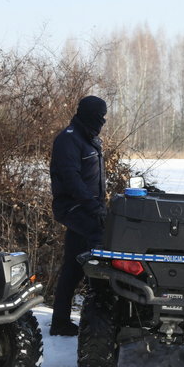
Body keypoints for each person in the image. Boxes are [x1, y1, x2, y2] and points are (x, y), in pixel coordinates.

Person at [48, 95, 108, 336]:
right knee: (100, 245)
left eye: (104, 117)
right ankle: (100, 311)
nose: (102, 121)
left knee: (72, 267)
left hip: (89, 206)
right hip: (73, 207)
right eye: (99, 116)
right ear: (87, 114)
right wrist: (93, 207)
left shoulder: (89, 138)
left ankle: (60, 321)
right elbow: (71, 179)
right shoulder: (69, 140)